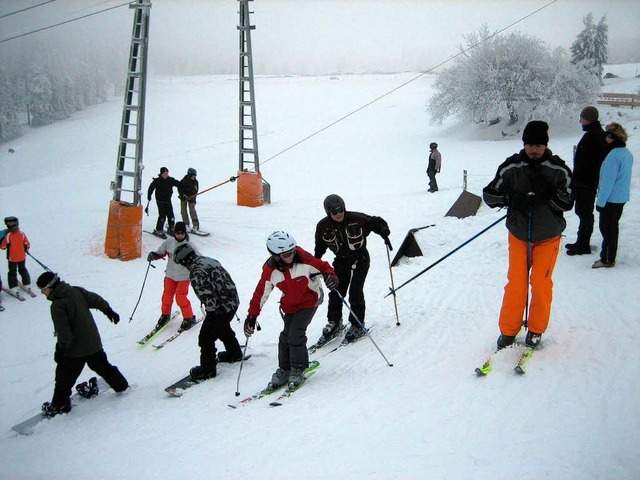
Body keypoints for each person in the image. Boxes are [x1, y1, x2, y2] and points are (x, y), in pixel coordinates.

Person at [482, 120, 573, 350]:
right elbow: (489, 195)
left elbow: (569, 202)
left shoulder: (558, 169)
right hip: (520, 235)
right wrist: (511, 198)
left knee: (541, 284)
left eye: (539, 146)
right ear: (524, 144)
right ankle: (509, 330)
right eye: (530, 145)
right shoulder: (511, 167)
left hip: (548, 235)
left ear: (546, 146)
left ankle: (535, 329)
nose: (534, 150)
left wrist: (549, 192)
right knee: (516, 284)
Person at [244, 231, 338, 390]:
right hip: (290, 304)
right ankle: (285, 369)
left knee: (296, 332)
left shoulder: (302, 257)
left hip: (310, 299)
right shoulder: (270, 271)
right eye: (288, 253)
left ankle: (298, 368)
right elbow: (261, 293)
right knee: (285, 336)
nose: (293, 255)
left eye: (293, 250)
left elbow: (323, 267)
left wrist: (331, 276)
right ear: (276, 255)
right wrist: (252, 316)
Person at [36, 271, 129, 417]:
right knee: (103, 366)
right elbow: (96, 300)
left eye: (43, 290)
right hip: (93, 343)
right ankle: (121, 385)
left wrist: (60, 351)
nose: (42, 293)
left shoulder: (57, 305)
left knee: (63, 379)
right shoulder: (76, 291)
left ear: (51, 287)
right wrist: (108, 311)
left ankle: (59, 406)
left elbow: (64, 334)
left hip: (75, 351)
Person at [314, 195, 391, 345]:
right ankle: (334, 322)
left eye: (341, 209)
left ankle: (357, 324)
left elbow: (375, 221)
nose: (339, 214)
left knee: (355, 291)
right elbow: (319, 246)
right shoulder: (323, 226)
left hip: (360, 259)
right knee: (336, 291)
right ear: (328, 212)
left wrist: (383, 230)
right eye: (334, 212)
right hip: (341, 261)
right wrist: (315, 263)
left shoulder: (356, 218)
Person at [173, 243, 244, 380]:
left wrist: (212, 315)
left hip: (220, 308)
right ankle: (234, 353)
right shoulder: (208, 260)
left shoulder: (196, 272)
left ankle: (207, 370)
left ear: (183, 260)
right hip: (233, 302)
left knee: (206, 338)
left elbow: (209, 297)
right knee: (223, 328)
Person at [566, 106, 609, 256]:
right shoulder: (595, 134)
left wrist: (580, 178)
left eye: (582, 118)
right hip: (585, 181)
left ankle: (583, 244)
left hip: (586, 183)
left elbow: (591, 162)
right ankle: (581, 242)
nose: (580, 121)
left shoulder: (594, 136)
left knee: (584, 213)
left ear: (589, 119)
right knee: (582, 212)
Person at [592, 122, 634, 269]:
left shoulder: (613, 156)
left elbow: (607, 182)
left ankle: (607, 259)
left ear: (613, 138)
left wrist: (600, 202)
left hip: (611, 199)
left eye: (607, 136)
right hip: (621, 197)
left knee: (607, 229)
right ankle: (609, 256)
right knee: (613, 227)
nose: (605, 139)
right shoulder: (626, 153)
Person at [146, 221, 199, 331]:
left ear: (185, 234)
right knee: (166, 296)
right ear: (174, 233)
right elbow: (161, 252)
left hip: (184, 277)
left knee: (180, 297)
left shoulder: (189, 246)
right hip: (170, 274)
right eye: (177, 233)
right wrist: (154, 255)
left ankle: (189, 317)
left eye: (182, 233)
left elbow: (199, 258)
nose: (180, 235)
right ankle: (165, 315)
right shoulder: (169, 242)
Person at [0, 216, 32, 296]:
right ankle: (27, 284)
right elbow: (27, 244)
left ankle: (13, 288)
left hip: (12, 258)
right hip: (22, 257)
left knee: (12, 272)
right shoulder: (22, 234)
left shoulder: (8, 235)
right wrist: (25, 248)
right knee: (23, 269)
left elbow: (2, 246)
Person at [146, 167, 181, 237]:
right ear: (161, 174)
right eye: (164, 173)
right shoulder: (157, 181)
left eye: (167, 173)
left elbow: (179, 184)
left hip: (168, 200)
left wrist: (185, 184)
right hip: (160, 201)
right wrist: (149, 196)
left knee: (171, 215)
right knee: (162, 215)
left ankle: (171, 227)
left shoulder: (170, 180)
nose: (166, 175)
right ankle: (159, 229)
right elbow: (151, 188)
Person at [179, 167, 202, 234]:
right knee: (183, 211)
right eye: (192, 176)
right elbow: (180, 189)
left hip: (191, 198)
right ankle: (186, 224)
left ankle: (195, 225)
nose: (193, 177)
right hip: (184, 198)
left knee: (192, 211)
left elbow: (196, 190)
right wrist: (183, 195)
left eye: (195, 176)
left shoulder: (195, 182)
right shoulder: (183, 181)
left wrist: (192, 197)